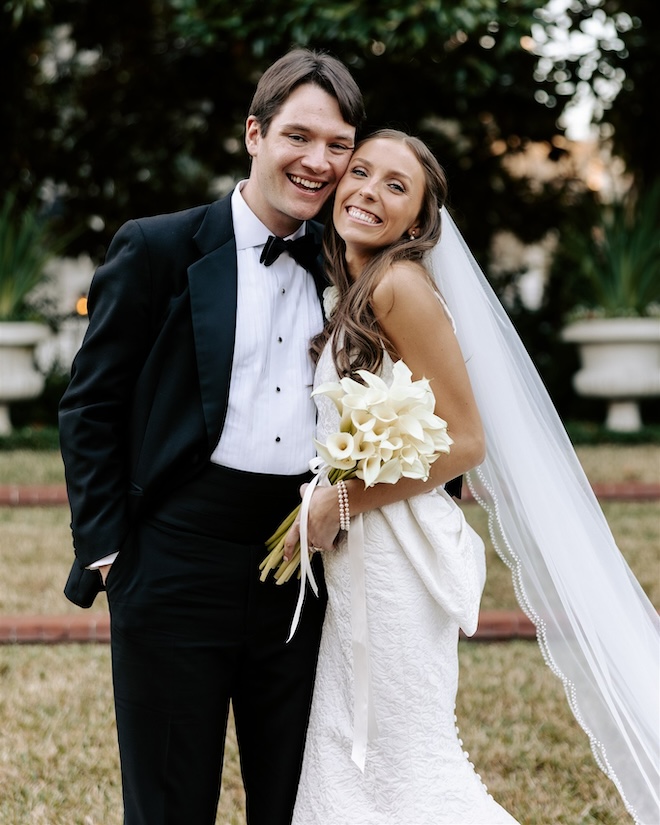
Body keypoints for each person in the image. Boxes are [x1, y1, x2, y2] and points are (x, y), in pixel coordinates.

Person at [283, 130, 659, 824]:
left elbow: (465, 441)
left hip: (396, 562)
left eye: (395, 185)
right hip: (363, 559)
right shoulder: (359, 287)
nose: (368, 189)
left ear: (420, 221)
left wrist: (338, 499)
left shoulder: (397, 284)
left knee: (410, 764)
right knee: (353, 761)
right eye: (360, 172)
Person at [58, 49, 365, 825]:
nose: (318, 161)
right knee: (168, 801)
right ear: (255, 134)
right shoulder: (158, 247)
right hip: (173, 557)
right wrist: (110, 552)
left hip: (303, 564)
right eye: (299, 135)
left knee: (298, 800)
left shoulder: (353, 264)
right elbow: (89, 405)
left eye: (339, 144)